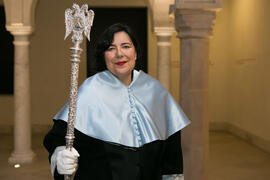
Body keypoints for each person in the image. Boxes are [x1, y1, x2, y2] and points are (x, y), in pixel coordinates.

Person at [43, 23, 190, 180]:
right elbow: (59, 137)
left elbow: (171, 155)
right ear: (103, 55)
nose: (119, 54)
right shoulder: (90, 90)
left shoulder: (155, 91)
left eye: (126, 46)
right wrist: (60, 156)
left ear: (136, 53)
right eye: (111, 48)